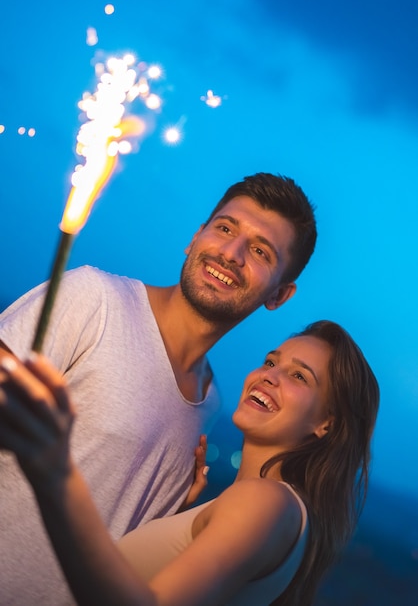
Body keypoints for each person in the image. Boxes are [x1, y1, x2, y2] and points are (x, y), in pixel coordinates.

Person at [0, 172, 317, 604]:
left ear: (279, 294)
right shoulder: (94, 299)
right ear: (195, 236)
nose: (231, 253)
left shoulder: (212, 403)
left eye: (260, 251)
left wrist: (169, 519)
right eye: (225, 228)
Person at [0, 320, 379, 606]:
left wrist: (58, 476)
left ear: (325, 424)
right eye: (270, 361)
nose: (269, 376)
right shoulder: (268, 507)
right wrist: (177, 520)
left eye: (298, 376)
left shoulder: (265, 501)